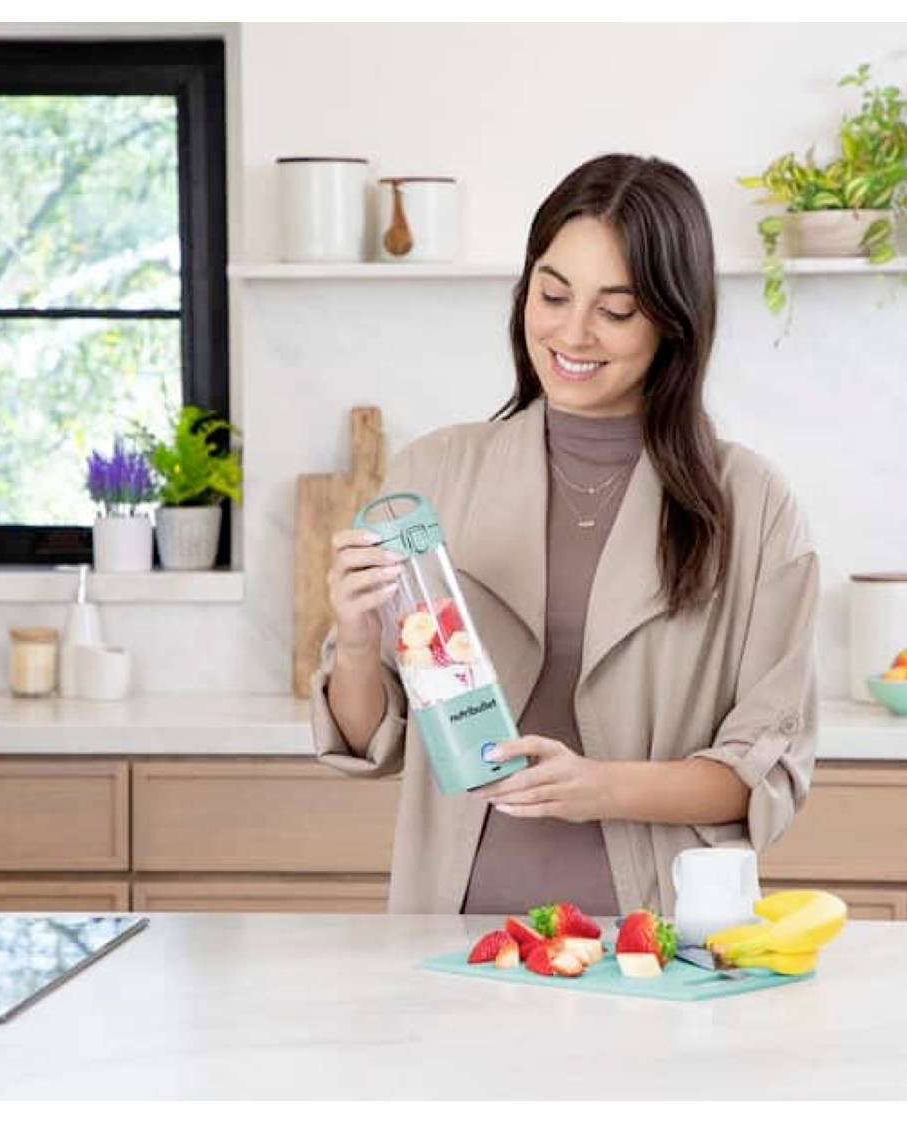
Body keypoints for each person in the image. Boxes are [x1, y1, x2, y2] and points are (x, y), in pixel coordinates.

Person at [309, 153, 819, 918]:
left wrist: (596, 786)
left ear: (674, 323)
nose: (572, 332)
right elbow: (370, 741)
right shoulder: (436, 474)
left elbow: (764, 770)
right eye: (552, 294)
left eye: (615, 310)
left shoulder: (749, 504)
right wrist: (352, 636)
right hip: (451, 937)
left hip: (655, 944)